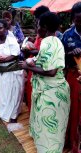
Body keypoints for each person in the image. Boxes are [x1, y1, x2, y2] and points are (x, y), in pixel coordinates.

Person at [19, 12, 70, 152]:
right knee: (51, 129)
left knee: (50, 130)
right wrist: (33, 61)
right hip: (51, 92)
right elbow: (45, 61)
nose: (36, 28)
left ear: (45, 27)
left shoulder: (50, 43)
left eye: (38, 25)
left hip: (51, 93)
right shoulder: (52, 41)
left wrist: (27, 67)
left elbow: (51, 71)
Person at [0, 19, 25, 123]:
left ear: (5, 29)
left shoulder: (11, 40)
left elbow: (15, 55)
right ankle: (4, 111)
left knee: (13, 94)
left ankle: (13, 115)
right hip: (1, 73)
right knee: (3, 93)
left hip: (12, 72)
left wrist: (2, 59)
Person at [62, 2, 81, 151]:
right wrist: (71, 53)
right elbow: (61, 58)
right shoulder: (67, 35)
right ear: (73, 18)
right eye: (78, 19)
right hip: (73, 76)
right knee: (73, 111)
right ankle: (72, 143)